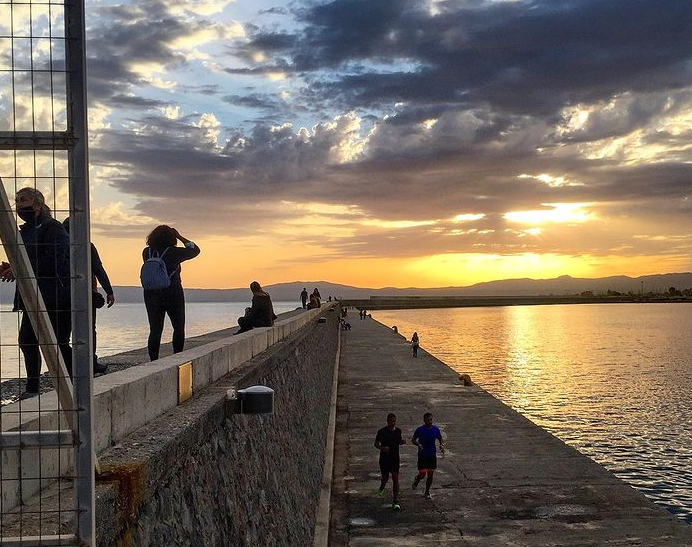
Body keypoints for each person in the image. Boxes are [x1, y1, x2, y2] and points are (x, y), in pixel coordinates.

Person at [0, 188, 72, 398]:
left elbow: (55, 260)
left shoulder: (53, 228)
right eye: (16, 201)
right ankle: (33, 389)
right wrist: (9, 267)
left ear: (38, 205)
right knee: (27, 340)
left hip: (54, 295)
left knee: (57, 344)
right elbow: (25, 261)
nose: (19, 205)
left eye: (23, 200)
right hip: (30, 296)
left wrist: (20, 268)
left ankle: (75, 383)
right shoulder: (23, 232)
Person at [63, 218, 114, 374]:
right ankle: (90, 363)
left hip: (61, 294)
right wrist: (109, 291)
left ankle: (69, 364)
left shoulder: (58, 244)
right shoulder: (87, 246)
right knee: (89, 330)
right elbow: (98, 269)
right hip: (86, 294)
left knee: (63, 333)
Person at [142, 225, 200, 361]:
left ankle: (153, 361)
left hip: (151, 294)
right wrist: (180, 236)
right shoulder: (174, 252)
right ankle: (177, 358)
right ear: (171, 238)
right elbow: (195, 250)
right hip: (173, 293)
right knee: (178, 327)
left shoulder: (146, 252)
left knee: (155, 330)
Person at [375, 413, 405, 510]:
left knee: (395, 478)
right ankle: (382, 487)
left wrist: (402, 442)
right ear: (387, 421)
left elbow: (398, 441)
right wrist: (382, 448)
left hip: (395, 458)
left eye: (394, 421)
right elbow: (376, 444)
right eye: (391, 421)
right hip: (384, 458)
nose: (393, 423)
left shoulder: (398, 431)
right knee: (385, 477)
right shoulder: (382, 432)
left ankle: (395, 500)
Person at [411, 412, 445, 499]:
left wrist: (441, 445)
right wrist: (418, 444)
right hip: (422, 455)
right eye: (428, 420)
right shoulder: (420, 430)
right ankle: (417, 479)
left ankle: (427, 491)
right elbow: (413, 439)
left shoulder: (435, 429)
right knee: (422, 473)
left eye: (431, 420)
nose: (430, 421)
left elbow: (440, 438)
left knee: (430, 475)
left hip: (432, 455)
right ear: (424, 420)